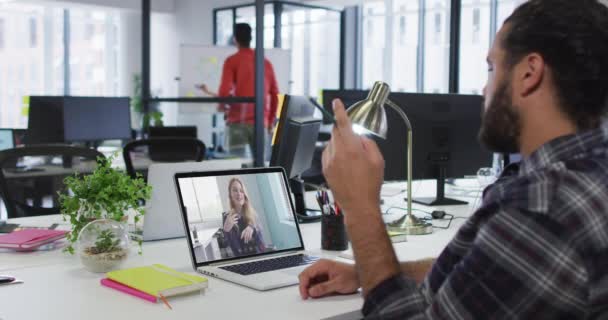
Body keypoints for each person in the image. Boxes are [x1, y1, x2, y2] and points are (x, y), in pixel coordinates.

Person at [298, 0, 608, 318]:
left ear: (529, 73)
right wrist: (365, 272)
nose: (485, 87)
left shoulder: (541, 208)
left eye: (492, 67)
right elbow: (485, 275)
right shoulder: (589, 175)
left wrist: (361, 209)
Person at [199, 23, 280, 158]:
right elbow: (275, 95)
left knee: (237, 166)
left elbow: (225, 91)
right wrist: (270, 120)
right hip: (261, 123)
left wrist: (221, 107)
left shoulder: (232, 61)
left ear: (235, 39)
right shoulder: (265, 63)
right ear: (251, 38)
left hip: (238, 122)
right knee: (262, 168)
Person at [221, 177, 266, 257]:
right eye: (235, 190)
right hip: (242, 260)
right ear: (230, 195)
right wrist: (226, 231)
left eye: (241, 191)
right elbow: (233, 249)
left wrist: (252, 227)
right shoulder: (227, 217)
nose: (239, 194)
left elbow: (262, 245)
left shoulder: (253, 213)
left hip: (260, 257)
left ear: (245, 194)